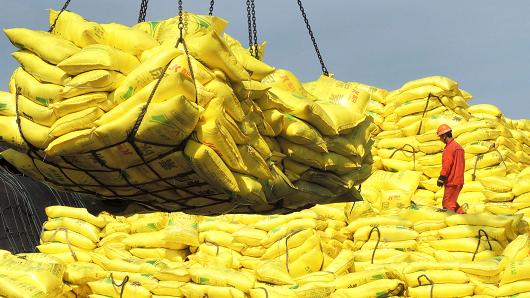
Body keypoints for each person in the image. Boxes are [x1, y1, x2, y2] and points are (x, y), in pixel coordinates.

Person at [436, 124, 466, 214]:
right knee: (452, 202)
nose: (440, 139)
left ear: (444, 136)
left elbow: (447, 164)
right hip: (458, 180)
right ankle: (463, 216)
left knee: (448, 204)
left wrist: (442, 177)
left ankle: (452, 223)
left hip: (452, 181)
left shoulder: (450, 148)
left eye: (440, 137)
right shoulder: (458, 147)